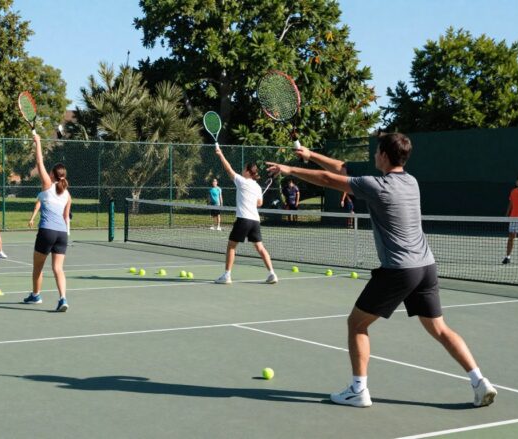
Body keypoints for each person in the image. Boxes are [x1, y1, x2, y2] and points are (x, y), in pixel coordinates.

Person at [267, 133, 497, 408]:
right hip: (425, 266)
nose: (374, 156)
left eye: (377, 152)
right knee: (439, 328)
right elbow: (343, 170)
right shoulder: (411, 182)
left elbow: (330, 180)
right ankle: (479, 381)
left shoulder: (377, 186)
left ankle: (358, 390)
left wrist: (288, 169)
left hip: (399, 270)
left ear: (385, 156)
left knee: (356, 324)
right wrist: (311, 155)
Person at [213, 145, 277, 285]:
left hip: (243, 220)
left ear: (248, 172)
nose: (242, 170)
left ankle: (227, 275)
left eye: (244, 168)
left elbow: (228, 169)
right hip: (255, 221)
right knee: (260, 247)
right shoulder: (258, 187)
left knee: (231, 246)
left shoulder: (242, 182)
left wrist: (220, 154)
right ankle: (272, 273)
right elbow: (259, 203)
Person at [22, 133, 72, 312]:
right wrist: (67, 235)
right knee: (58, 269)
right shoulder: (67, 194)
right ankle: (63, 299)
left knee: (37, 267)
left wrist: (38, 142)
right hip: (62, 234)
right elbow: (67, 218)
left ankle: (36, 295)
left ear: (52, 174)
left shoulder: (47, 185)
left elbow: (39, 162)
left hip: (47, 232)